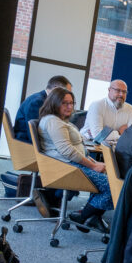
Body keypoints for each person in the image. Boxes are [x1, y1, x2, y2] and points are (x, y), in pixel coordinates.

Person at [36, 87, 113, 233]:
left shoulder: (61, 121)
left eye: (71, 103)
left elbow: (78, 148)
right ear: (54, 103)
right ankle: (83, 217)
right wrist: (93, 166)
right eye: (65, 103)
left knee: (111, 179)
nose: (70, 106)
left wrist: (95, 163)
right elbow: (67, 151)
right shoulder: (53, 121)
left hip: (72, 164)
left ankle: (90, 217)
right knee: (112, 187)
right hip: (67, 167)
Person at [14, 75, 71, 142]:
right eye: (66, 93)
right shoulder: (37, 102)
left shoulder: (44, 99)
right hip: (25, 141)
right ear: (56, 89)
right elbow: (33, 132)